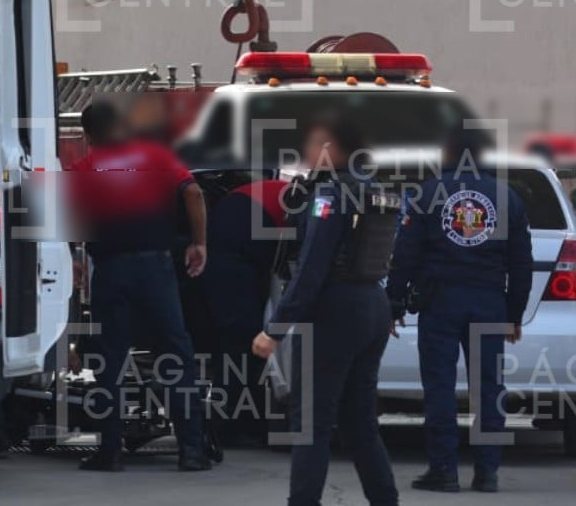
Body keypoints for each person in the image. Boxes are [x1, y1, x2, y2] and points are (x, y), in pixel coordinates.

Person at [252, 121, 400, 506]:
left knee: (310, 425)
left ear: (336, 148)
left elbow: (312, 268)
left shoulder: (331, 195)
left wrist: (275, 329)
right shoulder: (374, 188)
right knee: (359, 424)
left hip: (334, 312)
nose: (308, 148)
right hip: (371, 305)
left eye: (316, 142)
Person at [386, 130, 533, 494]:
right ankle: (487, 473)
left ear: (448, 153)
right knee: (489, 388)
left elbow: (405, 254)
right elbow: (521, 263)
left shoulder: (428, 193)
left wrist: (394, 304)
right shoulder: (507, 197)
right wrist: (514, 314)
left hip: (440, 303)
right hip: (488, 303)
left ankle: (444, 469)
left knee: (439, 386)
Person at [68, 102, 212, 472]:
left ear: (88, 135)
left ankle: (110, 451)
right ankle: (192, 450)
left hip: (111, 271)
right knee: (176, 358)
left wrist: (76, 261)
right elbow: (193, 193)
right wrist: (199, 243)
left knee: (109, 362)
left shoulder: (85, 168)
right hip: (155, 270)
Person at [190, 177, 288, 445]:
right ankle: (226, 428)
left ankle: (244, 423)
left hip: (227, 253)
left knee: (242, 343)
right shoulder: (303, 205)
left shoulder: (283, 194)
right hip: (232, 259)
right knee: (242, 342)